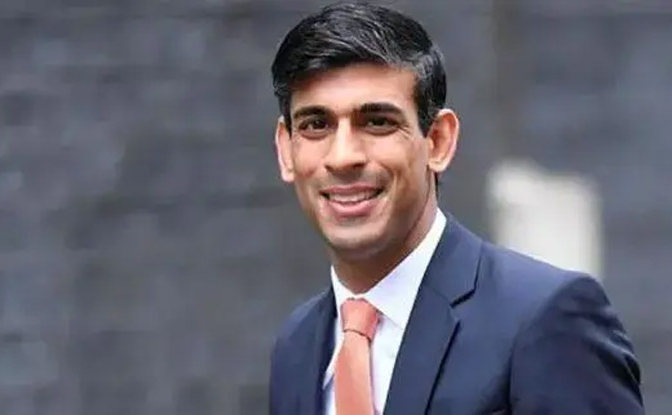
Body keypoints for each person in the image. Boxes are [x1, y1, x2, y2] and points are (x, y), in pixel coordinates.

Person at [267, 3, 643, 415]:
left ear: (439, 141)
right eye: (316, 125)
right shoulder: (298, 347)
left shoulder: (546, 319)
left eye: (377, 122)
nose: (342, 157)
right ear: (286, 150)